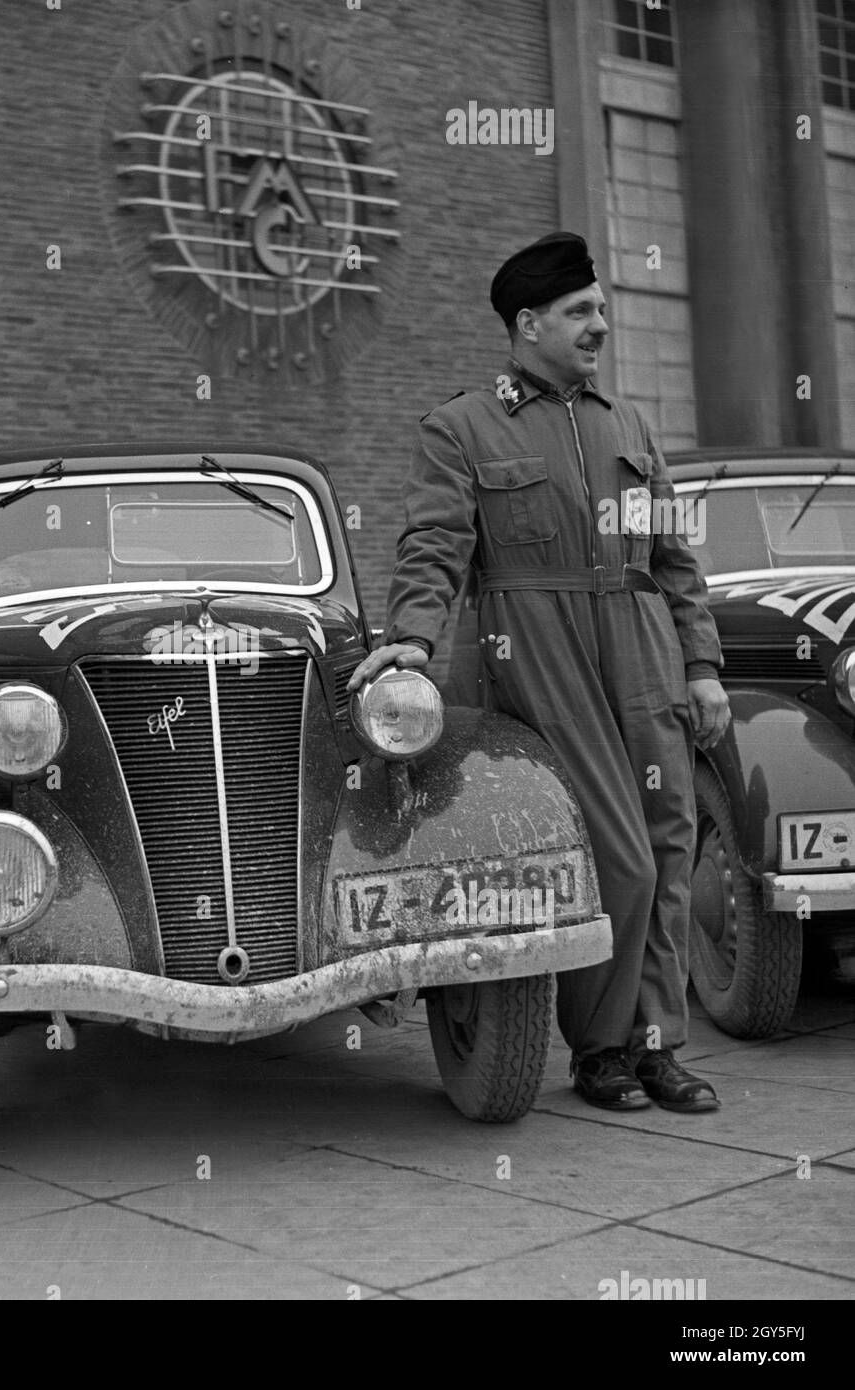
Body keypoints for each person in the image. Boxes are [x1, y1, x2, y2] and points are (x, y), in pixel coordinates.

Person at [350, 231, 731, 1113]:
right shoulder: (463, 426)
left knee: (669, 843)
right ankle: (598, 1051)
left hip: (642, 645)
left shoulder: (628, 426)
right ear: (528, 324)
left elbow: (674, 559)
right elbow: (436, 541)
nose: (601, 325)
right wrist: (413, 634)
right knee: (617, 859)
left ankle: (654, 1046)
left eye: (601, 309)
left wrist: (702, 665)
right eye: (582, 311)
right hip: (536, 645)